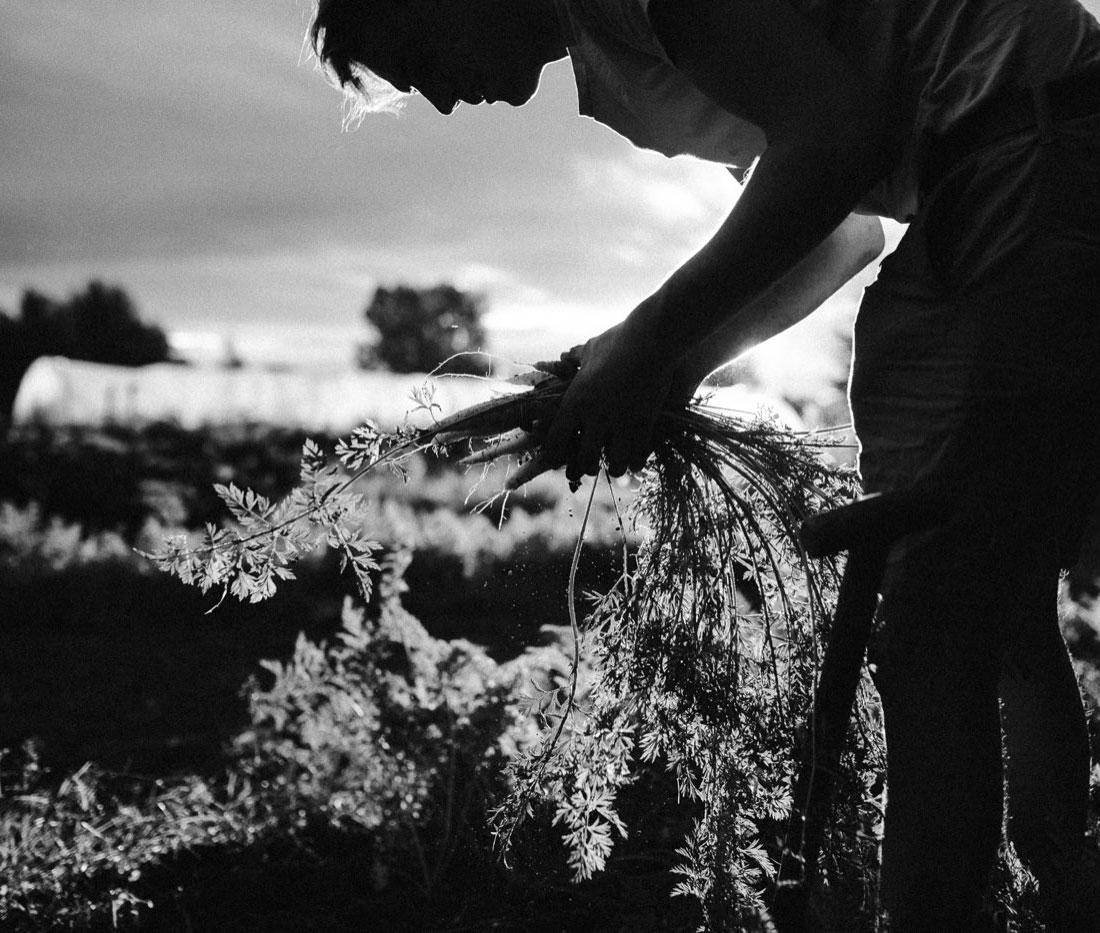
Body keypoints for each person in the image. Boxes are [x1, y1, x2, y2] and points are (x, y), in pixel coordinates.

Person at [307, 0, 1100, 927]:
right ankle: (1060, 896)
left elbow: (837, 140)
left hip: (1027, 145)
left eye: (419, 50)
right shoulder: (627, 53)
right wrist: (666, 367)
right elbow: (836, 229)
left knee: (935, 623)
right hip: (1001, 165)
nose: (441, 100)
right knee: (989, 603)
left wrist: (644, 348)